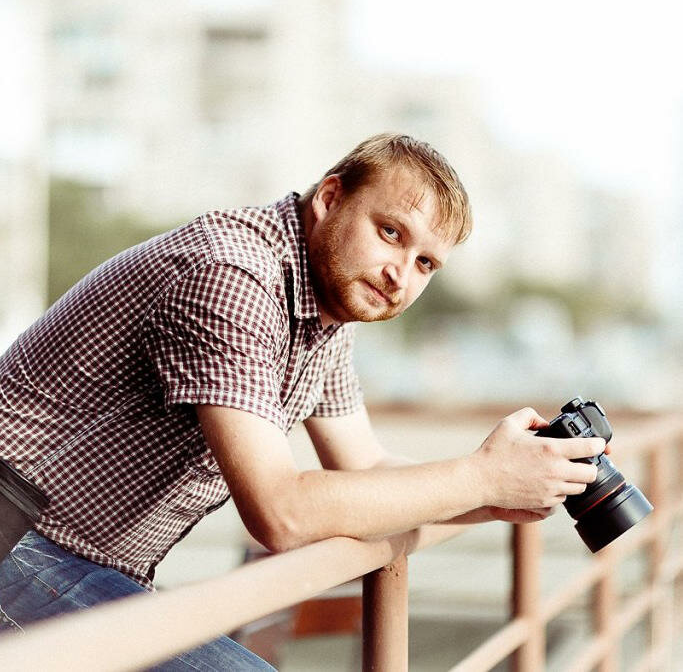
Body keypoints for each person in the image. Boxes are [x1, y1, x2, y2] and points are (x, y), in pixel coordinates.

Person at [0, 133, 605, 669]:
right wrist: (479, 479)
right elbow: (280, 512)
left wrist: (503, 491)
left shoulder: (324, 311)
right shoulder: (232, 277)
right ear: (331, 198)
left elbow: (365, 466)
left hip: (71, 557)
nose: (400, 273)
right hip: (17, 536)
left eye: (425, 262)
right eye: (390, 232)